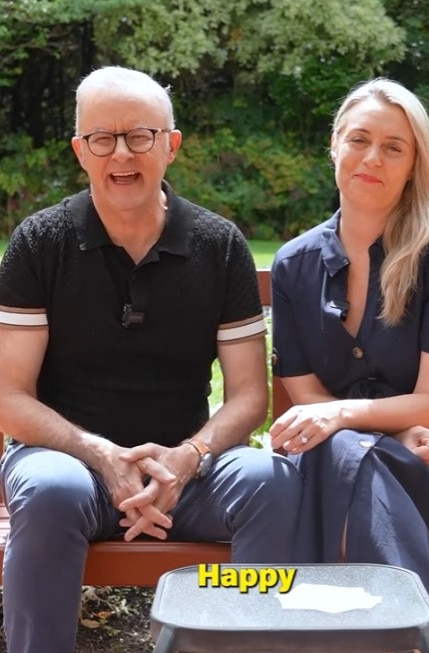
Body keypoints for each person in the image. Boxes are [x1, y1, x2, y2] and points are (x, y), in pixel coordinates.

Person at [0, 66, 303, 653]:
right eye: (102, 138)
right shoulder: (40, 242)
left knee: (271, 482)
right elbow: (11, 398)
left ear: (171, 145)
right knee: (51, 490)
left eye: (140, 136)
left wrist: (187, 459)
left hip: (189, 474)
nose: (121, 154)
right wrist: (101, 454)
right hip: (68, 465)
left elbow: (248, 397)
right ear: (79, 151)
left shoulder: (219, 245)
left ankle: (243, 644)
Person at [269, 77, 429, 653]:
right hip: (363, 447)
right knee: (345, 451)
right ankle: (419, 638)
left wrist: (355, 419)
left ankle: (409, 636)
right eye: (359, 139)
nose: (372, 157)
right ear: (335, 147)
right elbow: (306, 393)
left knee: (343, 452)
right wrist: (370, 423)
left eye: (394, 147)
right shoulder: (294, 264)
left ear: (414, 166)